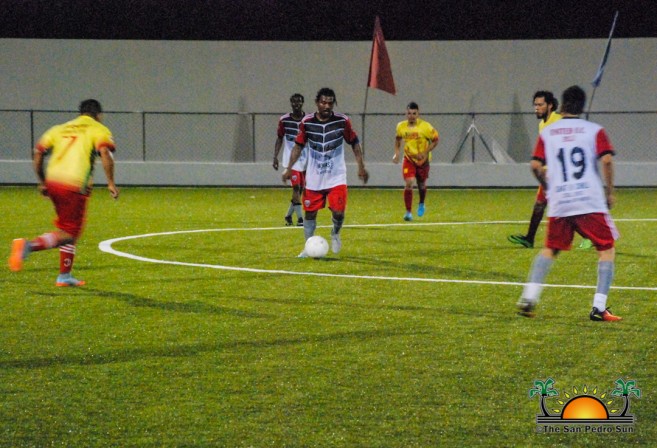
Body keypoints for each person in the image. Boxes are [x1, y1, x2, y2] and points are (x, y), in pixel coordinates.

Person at [517, 85, 621, 321]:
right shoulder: (594, 130)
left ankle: (529, 297)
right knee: (606, 249)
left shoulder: (548, 133)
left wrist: (547, 186)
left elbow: (535, 166)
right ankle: (599, 308)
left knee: (550, 249)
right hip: (588, 201)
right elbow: (606, 161)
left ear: (562, 105)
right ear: (582, 106)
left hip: (561, 201)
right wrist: (610, 191)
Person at [9, 99, 119, 286]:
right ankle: (28, 246)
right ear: (99, 115)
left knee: (66, 228)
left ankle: (64, 276)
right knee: (70, 234)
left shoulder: (59, 129)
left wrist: (42, 181)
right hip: (74, 185)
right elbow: (105, 152)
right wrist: (111, 183)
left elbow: (38, 152)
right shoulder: (98, 129)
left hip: (53, 181)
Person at [282, 87, 369, 257]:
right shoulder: (307, 122)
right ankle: (308, 246)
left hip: (336, 176)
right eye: (323, 102)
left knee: (338, 212)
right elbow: (298, 146)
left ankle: (335, 233)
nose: (327, 106)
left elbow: (354, 143)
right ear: (317, 103)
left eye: (330, 103)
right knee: (310, 213)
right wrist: (289, 168)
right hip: (314, 178)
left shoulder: (342, 121)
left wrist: (361, 166)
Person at [508, 91, 592, 249]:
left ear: (550, 105)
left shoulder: (558, 120)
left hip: (558, 173)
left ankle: (588, 237)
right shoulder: (542, 124)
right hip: (548, 172)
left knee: (556, 207)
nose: (536, 108)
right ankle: (529, 239)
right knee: (542, 205)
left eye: (540, 105)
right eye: (535, 105)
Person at [393, 102, 439, 221]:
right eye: (409, 113)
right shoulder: (401, 126)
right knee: (409, 182)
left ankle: (421, 203)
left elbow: (436, 140)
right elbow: (398, 140)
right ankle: (408, 212)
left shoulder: (426, 127)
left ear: (418, 114)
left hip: (423, 161)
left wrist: (425, 152)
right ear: (406, 114)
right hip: (409, 159)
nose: (412, 116)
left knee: (421, 184)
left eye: (414, 113)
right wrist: (397, 153)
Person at [273, 93, 307, 226]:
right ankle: (300, 219)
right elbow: (279, 138)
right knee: (296, 188)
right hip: (290, 160)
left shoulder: (308, 120)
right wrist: (275, 156)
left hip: (305, 159)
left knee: (300, 189)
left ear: (302, 103)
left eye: (299, 102)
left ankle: (288, 216)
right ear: (291, 103)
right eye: (294, 102)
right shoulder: (284, 120)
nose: (296, 104)